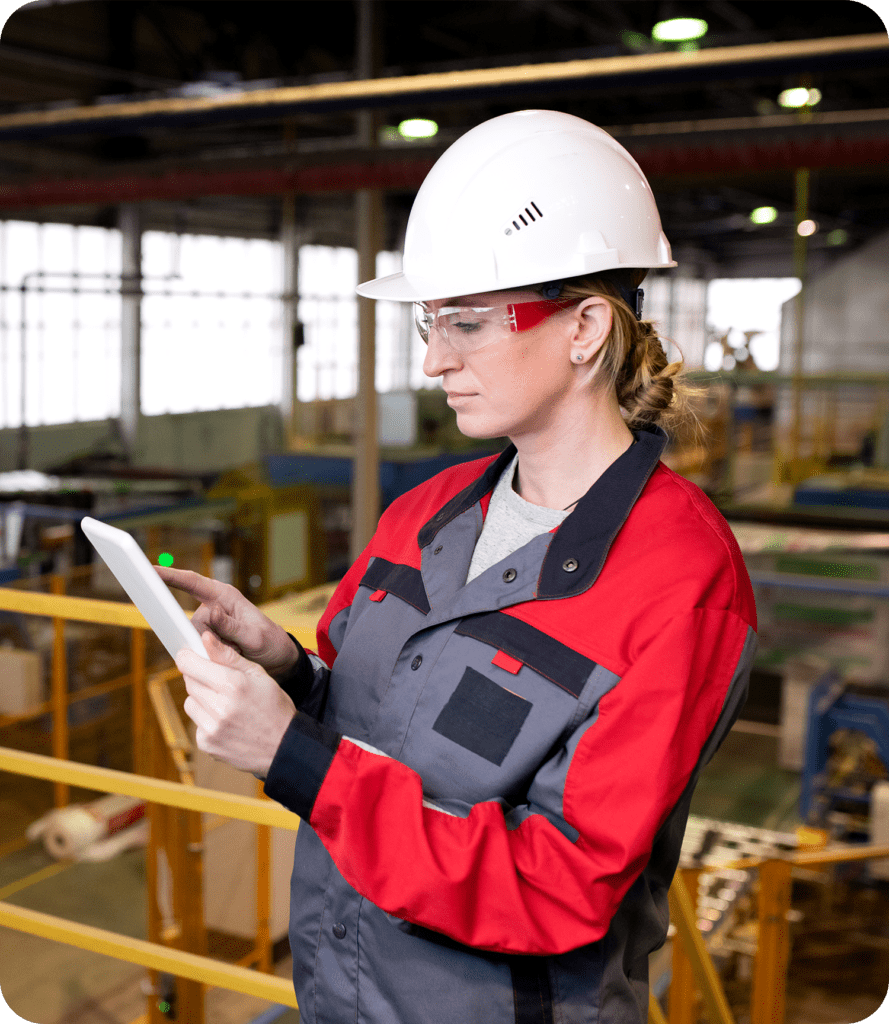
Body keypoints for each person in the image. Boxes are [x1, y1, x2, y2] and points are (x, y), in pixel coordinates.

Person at [158, 110, 757, 1024]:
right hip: (340, 994)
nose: (436, 359)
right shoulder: (423, 514)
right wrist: (282, 668)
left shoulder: (681, 586)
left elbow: (559, 885)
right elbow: (369, 727)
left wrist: (290, 759)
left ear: (586, 327)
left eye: (468, 324)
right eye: (431, 323)